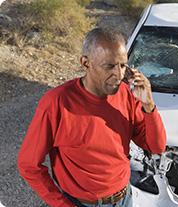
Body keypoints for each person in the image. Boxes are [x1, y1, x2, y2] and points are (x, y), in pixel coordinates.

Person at [17, 28, 167, 207]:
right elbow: (29, 165)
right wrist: (61, 204)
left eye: (122, 65)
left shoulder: (127, 95)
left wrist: (149, 106)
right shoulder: (56, 102)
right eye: (109, 66)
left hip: (124, 199)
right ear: (85, 62)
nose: (119, 75)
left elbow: (156, 146)